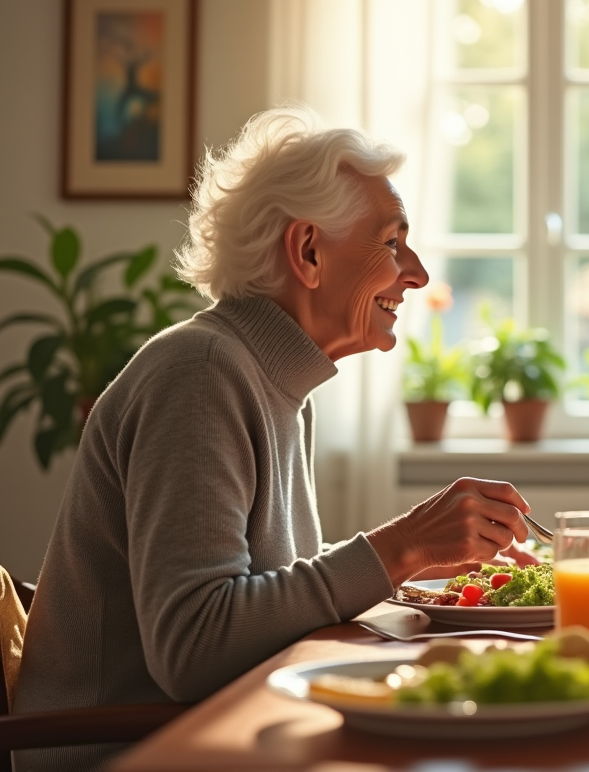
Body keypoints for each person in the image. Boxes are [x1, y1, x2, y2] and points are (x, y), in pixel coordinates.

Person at [13, 107, 536, 771]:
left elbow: (264, 606)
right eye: (393, 243)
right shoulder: (201, 374)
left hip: (223, 732)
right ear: (309, 251)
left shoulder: (273, 380)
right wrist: (397, 547)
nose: (419, 275)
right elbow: (195, 649)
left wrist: (409, 562)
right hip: (138, 753)